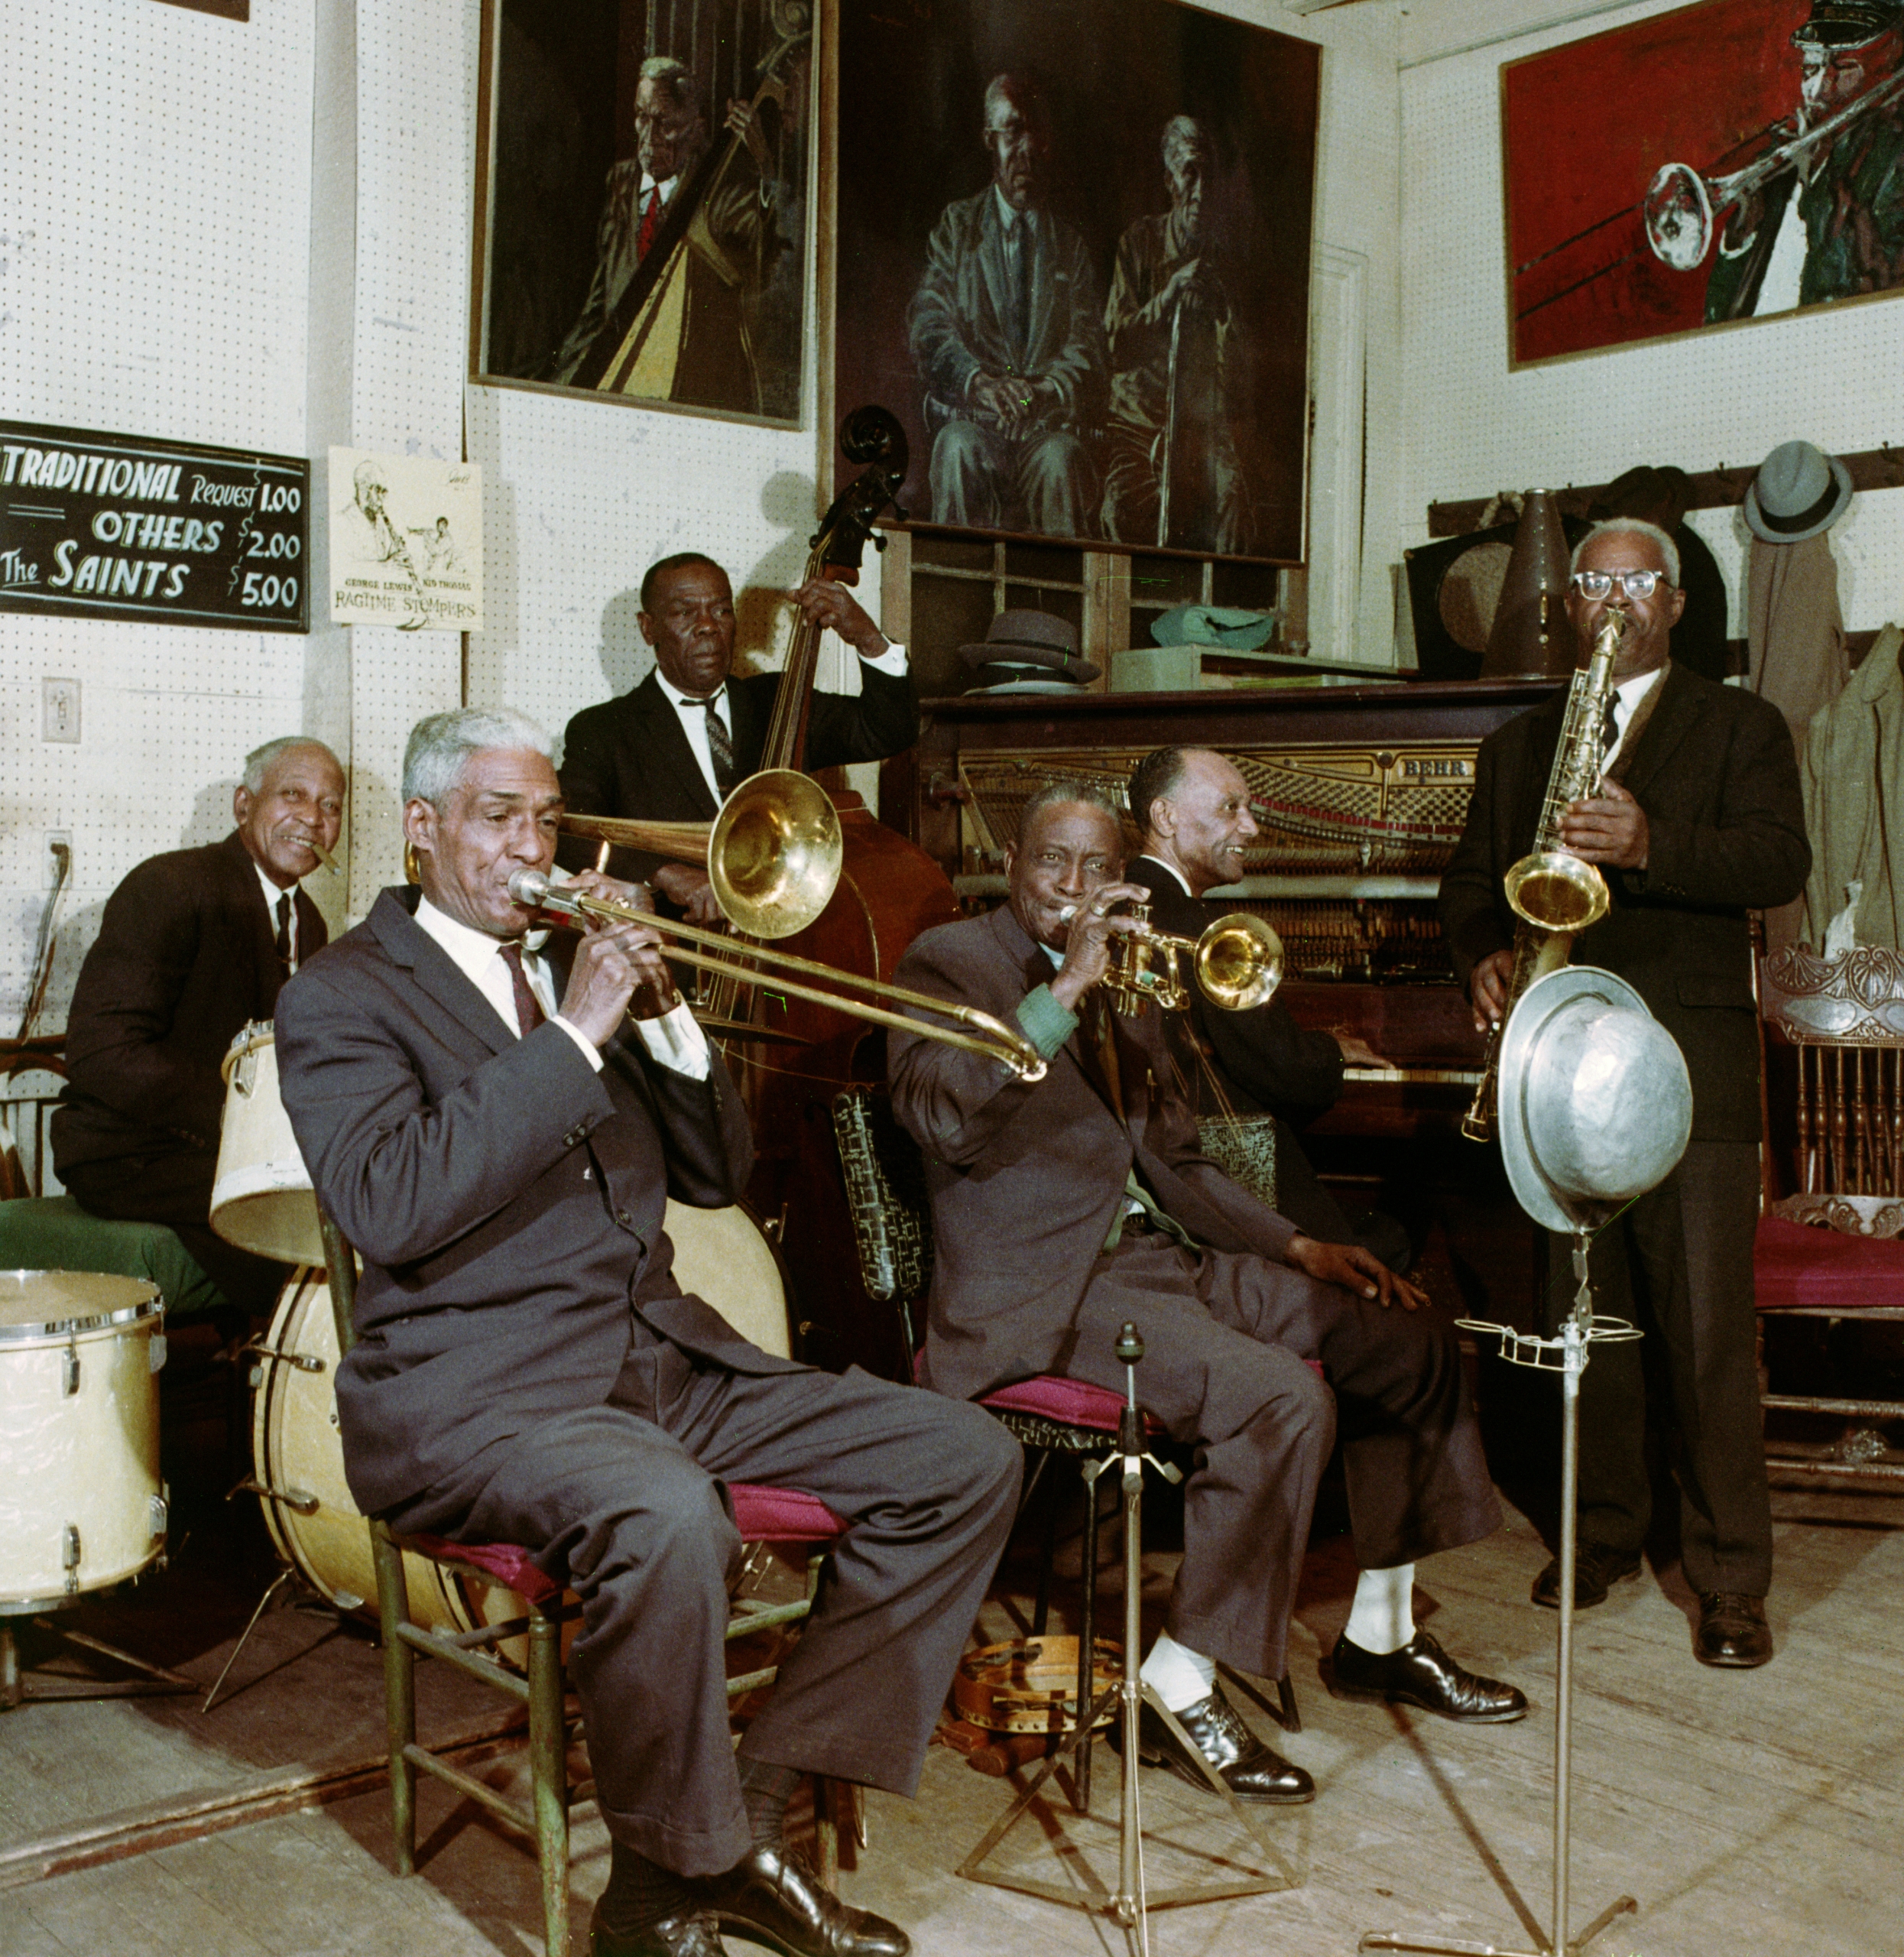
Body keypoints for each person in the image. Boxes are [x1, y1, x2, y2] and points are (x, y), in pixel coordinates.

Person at [273, 709, 1020, 1957]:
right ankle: (690, 1867)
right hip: (482, 1400)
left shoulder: (577, 968)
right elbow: (388, 1201)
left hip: (662, 1363)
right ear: (421, 828)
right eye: (499, 816)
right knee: (672, 1515)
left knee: (964, 1458)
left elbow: (718, 1171)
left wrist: (668, 1016)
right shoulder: (340, 994)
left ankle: (738, 1826)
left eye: (548, 818)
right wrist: (578, 1032)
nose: (534, 844)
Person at [887, 782, 1524, 1809]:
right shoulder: (949, 964)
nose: (1076, 887)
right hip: (1041, 1295)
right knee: (1280, 1397)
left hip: (1159, 1263)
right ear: (1010, 858)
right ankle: (1176, 1681)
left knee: (1405, 1341)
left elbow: (1176, 1162)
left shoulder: (1134, 986)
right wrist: (1062, 993)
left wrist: (1301, 1246)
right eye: (1054, 862)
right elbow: (936, 1115)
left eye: (1100, 869)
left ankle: (1378, 1635)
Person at [1439, 519, 1811, 1669]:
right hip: (1557, 1058)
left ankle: (1729, 1579)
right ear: (1566, 605)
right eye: (1591, 583)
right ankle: (1599, 1529)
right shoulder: (1516, 746)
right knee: (1579, 1311)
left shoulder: (1739, 724)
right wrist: (1480, 955)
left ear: (1675, 600)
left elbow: (1775, 862)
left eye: (1634, 582)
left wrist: (1651, 843)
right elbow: (1465, 882)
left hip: (1684, 1063)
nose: (1611, 600)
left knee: (1701, 1326)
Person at [51, 736, 345, 1319]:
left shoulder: (307, 921)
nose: (313, 818)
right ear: (243, 805)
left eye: (331, 805)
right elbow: (103, 1053)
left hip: (221, 1153)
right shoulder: (168, 886)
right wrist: (244, 1119)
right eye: (293, 795)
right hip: (129, 1154)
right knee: (317, 1216)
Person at [1125, 745, 1410, 1273]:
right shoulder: (1201, 930)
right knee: (1391, 1232)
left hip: (1161, 1179)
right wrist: (1331, 1053)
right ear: (1164, 817)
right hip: (1218, 1192)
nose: (1251, 828)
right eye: (1229, 808)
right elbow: (1288, 1073)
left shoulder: (1126, 905)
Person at [558, 552, 918, 920]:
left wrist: (868, 638)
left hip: (783, 941)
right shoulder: (603, 729)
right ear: (648, 628)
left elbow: (888, 730)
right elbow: (568, 826)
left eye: (721, 611)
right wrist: (662, 874)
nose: (707, 626)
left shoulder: (778, 702)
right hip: (673, 951)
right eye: (684, 613)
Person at [907, 73, 1106, 537]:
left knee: (1064, 460)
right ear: (989, 141)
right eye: (1014, 132)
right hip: (975, 422)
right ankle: (952, 599)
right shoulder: (956, 229)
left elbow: (1088, 344)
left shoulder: (1070, 247)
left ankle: (1061, 605)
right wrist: (979, 383)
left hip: (1044, 433)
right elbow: (929, 322)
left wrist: (1041, 393)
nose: (1028, 148)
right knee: (955, 449)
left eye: (1037, 133)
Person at [546, 56, 780, 415]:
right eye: (642, 116)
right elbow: (602, 297)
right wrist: (565, 378)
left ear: (697, 129)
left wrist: (764, 167)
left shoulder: (715, 193)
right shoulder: (621, 182)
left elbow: (762, 238)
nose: (648, 136)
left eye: (665, 123)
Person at [1101, 117, 1253, 553]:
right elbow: (1114, 344)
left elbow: (1243, 383)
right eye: (1189, 172)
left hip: (1202, 433)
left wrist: (1225, 318)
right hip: (1138, 427)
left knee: (1233, 499)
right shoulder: (1139, 243)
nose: (1201, 190)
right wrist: (1167, 297)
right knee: (1118, 509)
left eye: (1208, 174)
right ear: (1170, 180)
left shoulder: (1227, 262)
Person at [1703, 0, 1904, 323]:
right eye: (1811, 69)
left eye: (1845, 68)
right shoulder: (1778, 164)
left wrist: (1818, 184)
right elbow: (1716, 319)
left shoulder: (1892, 161)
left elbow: (1876, 299)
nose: (1818, 89)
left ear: (1888, 66)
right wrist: (1740, 240)